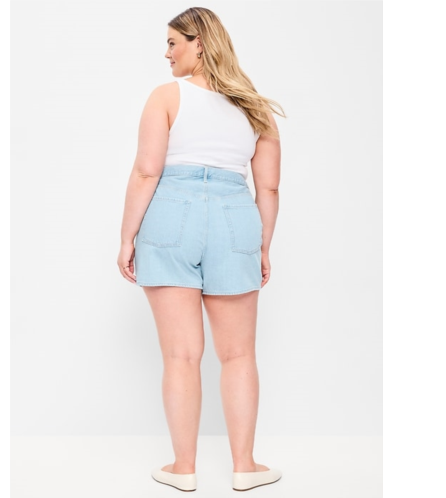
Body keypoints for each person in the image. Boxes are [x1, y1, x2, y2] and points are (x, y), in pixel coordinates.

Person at [117, 6, 284, 493]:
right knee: (238, 355)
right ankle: (244, 466)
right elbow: (268, 188)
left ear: (200, 44)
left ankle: (183, 467)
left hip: (172, 215)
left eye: (173, 43)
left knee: (181, 356)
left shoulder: (167, 97)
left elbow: (147, 170)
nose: (166, 53)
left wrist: (126, 237)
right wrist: (262, 245)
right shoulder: (256, 107)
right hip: (236, 219)